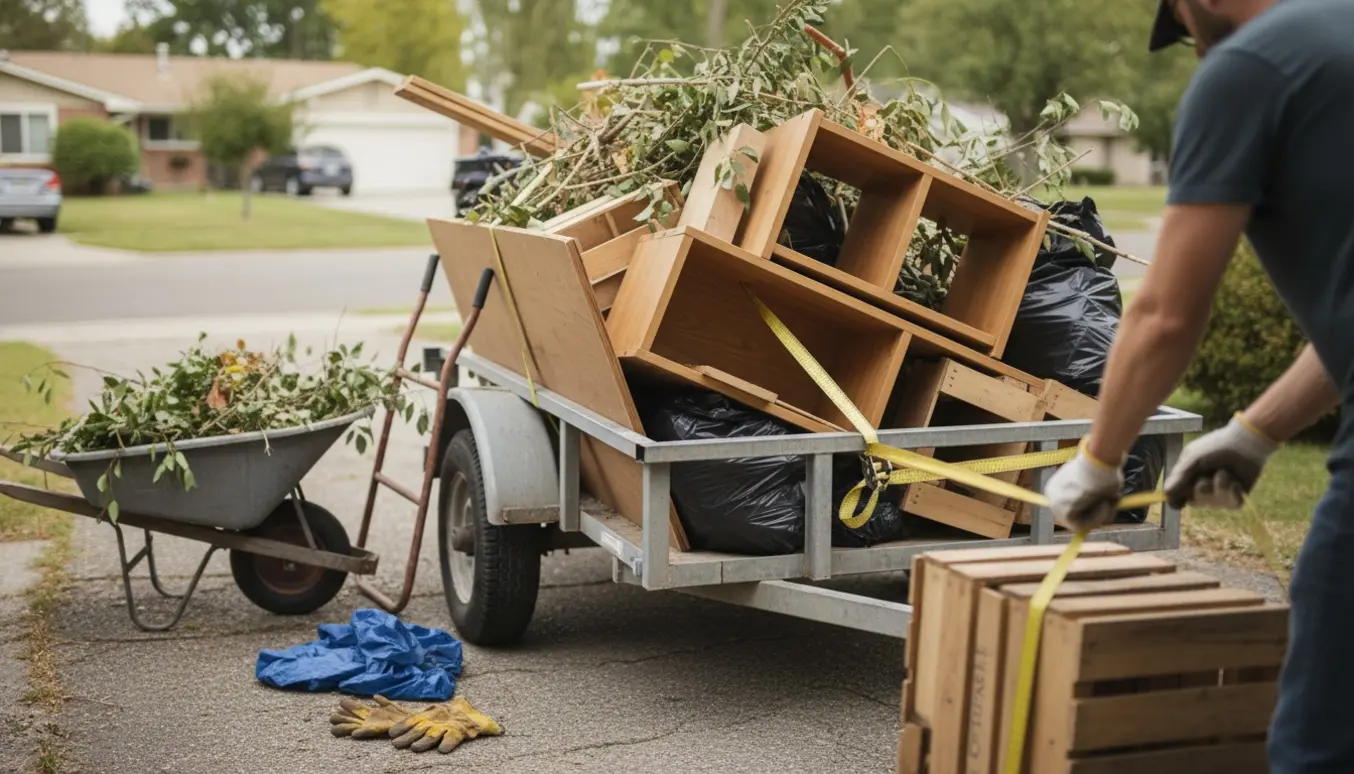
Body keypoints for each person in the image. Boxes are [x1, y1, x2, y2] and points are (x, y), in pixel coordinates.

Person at [1043, 0, 1354, 770]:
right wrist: (1258, 431)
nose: (1191, 55)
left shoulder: (1246, 69)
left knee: (1320, 737)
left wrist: (1100, 460)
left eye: (1183, 28)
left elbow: (1163, 317)